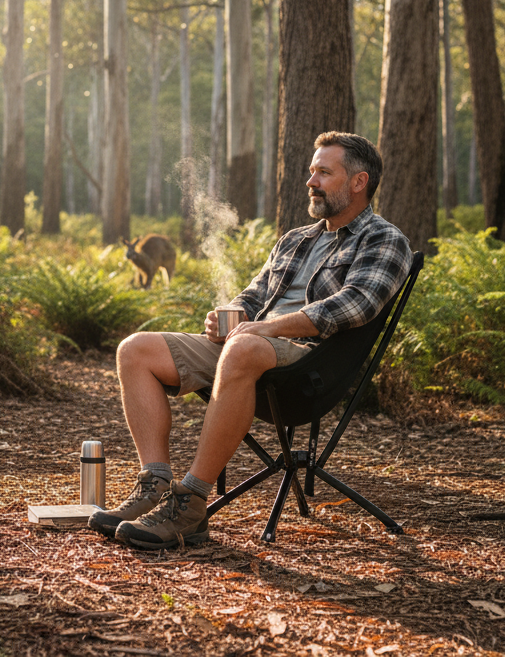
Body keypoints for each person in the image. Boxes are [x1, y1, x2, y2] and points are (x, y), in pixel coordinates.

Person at [89, 131, 413, 550]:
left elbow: (355, 306)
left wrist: (268, 329)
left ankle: (189, 505)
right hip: (250, 347)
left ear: (358, 182)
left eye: (324, 172)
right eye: (311, 172)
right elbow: (255, 295)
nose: (311, 181)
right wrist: (231, 316)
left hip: (309, 364)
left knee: (242, 347)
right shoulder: (297, 239)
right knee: (135, 350)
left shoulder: (384, 240)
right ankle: (154, 486)